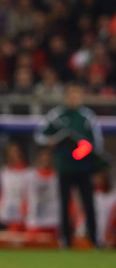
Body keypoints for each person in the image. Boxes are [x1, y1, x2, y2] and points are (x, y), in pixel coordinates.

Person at [34, 81, 104, 247]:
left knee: (89, 203)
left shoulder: (88, 117)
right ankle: (66, 239)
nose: (74, 97)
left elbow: (97, 144)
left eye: (77, 93)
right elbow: (40, 135)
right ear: (66, 96)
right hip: (65, 167)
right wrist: (50, 141)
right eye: (71, 93)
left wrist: (86, 151)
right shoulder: (57, 115)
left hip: (84, 168)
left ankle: (94, 238)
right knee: (64, 204)